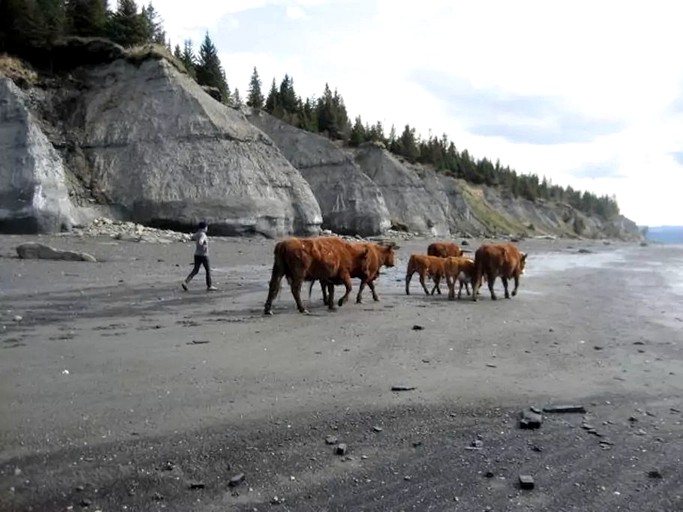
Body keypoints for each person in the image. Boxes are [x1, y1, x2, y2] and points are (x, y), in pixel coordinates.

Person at [182, 221, 217, 291]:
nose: (207, 229)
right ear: (204, 228)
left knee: (195, 270)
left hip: (197, 254)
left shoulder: (197, 233)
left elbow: (192, 238)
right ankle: (209, 286)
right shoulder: (203, 235)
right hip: (204, 255)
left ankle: (185, 282)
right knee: (208, 270)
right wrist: (202, 244)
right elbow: (201, 241)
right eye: (207, 227)